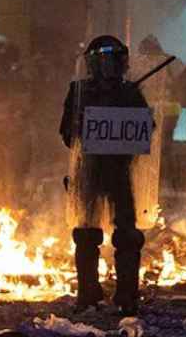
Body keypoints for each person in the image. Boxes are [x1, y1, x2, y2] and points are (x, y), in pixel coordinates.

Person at [60, 36, 149, 316]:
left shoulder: (129, 92)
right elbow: (67, 133)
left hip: (120, 170)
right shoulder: (80, 92)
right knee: (86, 234)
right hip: (90, 169)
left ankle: (126, 294)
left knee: (127, 235)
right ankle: (89, 293)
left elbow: (145, 129)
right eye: (104, 61)